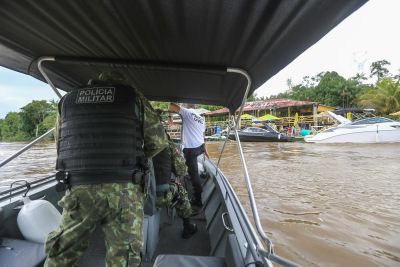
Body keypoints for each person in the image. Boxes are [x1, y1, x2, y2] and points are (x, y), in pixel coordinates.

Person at [44, 71, 169, 267]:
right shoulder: (134, 98)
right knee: (124, 256)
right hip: (124, 190)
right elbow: (158, 142)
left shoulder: (68, 101)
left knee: (62, 252)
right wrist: (137, 157)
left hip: (79, 187)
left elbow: (61, 144)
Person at [152, 119, 198, 238]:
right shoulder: (168, 145)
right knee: (181, 193)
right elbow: (182, 170)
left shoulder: (136, 142)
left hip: (134, 195)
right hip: (160, 195)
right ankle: (187, 227)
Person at [168, 103, 208, 207]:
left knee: (193, 174)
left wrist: (170, 117)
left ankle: (197, 199)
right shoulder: (201, 118)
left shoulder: (187, 112)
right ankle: (196, 186)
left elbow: (171, 106)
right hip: (200, 147)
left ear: (187, 105)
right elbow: (202, 135)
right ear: (195, 107)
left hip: (191, 149)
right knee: (192, 171)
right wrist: (205, 149)